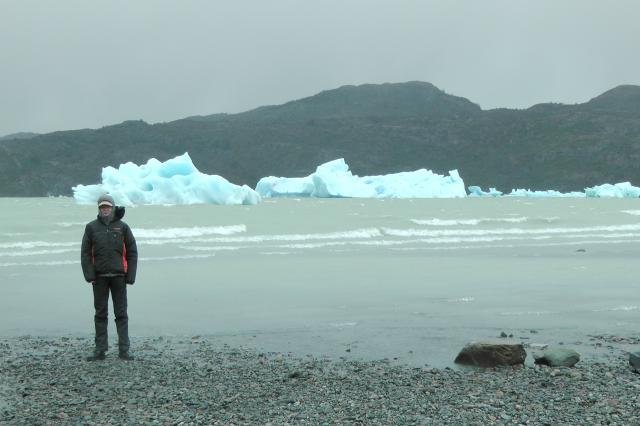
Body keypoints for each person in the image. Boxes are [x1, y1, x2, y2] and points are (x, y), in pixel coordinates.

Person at [81, 194, 138, 361]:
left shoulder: (123, 227)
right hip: (99, 278)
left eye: (107, 206)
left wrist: (131, 275)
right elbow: (85, 254)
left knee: (121, 314)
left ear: (112, 207)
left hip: (119, 276)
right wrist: (89, 274)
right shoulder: (91, 227)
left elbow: (132, 252)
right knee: (100, 314)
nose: (104, 209)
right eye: (102, 207)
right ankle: (100, 350)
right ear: (99, 208)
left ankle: (124, 350)